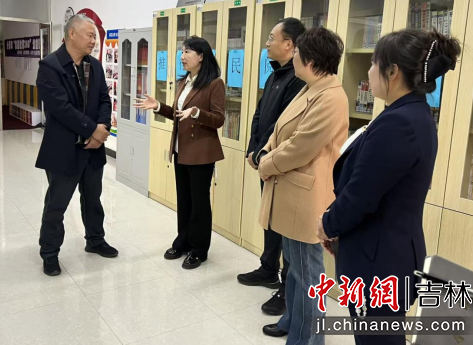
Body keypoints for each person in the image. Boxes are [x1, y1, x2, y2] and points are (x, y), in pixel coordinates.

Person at [317, 30, 461, 345]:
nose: (369, 71)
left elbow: (361, 195)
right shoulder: (411, 114)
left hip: (379, 264)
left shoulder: (400, 123)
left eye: (373, 63)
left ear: (392, 71)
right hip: (385, 253)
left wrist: (328, 224)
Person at [257, 27, 349, 343]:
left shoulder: (331, 97)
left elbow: (301, 146)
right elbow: (280, 131)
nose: (293, 56)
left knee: (309, 275)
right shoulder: (311, 88)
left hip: (306, 198)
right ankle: (293, 322)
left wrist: (266, 164)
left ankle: (310, 338)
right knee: (295, 269)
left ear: (309, 59)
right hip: (291, 192)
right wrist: (265, 151)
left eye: (296, 52)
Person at [36, 14, 117, 277]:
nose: (94, 41)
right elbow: (60, 108)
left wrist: (101, 130)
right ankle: (49, 253)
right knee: (56, 204)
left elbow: (104, 100)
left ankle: (95, 240)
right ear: (72, 33)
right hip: (64, 149)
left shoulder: (95, 65)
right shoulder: (50, 66)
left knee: (93, 199)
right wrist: (93, 130)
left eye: (95, 36)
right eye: (90, 35)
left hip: (92, 150)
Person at [134, 36, 225, 270]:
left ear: (201, 56)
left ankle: (199, 249)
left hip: (201, 153)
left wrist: (197, 112)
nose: (182, 57)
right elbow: (177, 113)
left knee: (199, 203)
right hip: (180, 150)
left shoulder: (214, 83)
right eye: (182, 52)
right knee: (184, 201)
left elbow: (218, 119)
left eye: (187, 52)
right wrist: (158, 106)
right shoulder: (184, 81)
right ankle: (182, 241)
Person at [237, 17, 306, 316]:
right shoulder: (275, 74)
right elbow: (260, 114)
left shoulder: (298, 80)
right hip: (265, 159)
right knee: (269, 218)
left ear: (289, 44)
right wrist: (253, 148)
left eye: (271, 38)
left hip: (280, 163)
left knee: (284, 224)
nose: (267, 43)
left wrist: (262, 152)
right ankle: (268, 268)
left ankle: (285, 285)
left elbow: (282, 125)